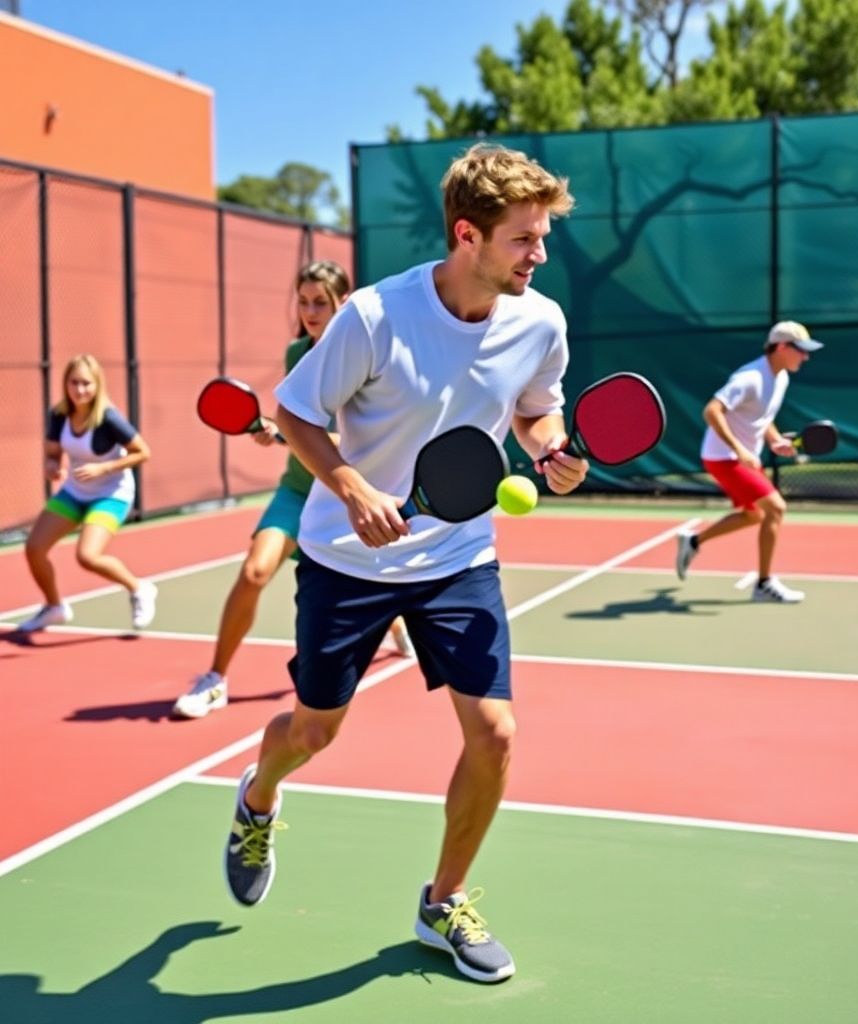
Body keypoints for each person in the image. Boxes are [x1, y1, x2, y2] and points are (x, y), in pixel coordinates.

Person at [221, 143, 586, 984]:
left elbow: (536, 417)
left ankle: (442, 902)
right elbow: (296, 409)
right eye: (525, 239)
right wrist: (349, 486)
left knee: (494, 734)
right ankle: (259, 798)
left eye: (542, 237)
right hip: (347, 556)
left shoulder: (542, 322)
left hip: (458, 553)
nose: (539, 253)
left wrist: (552, 451)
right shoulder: (376, 316)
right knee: (313, 731)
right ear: (469, 234)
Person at [173, 260, 414, 720]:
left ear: (344, 301)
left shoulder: (371, 355)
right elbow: (297, 419)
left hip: (349, 495)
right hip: (298, 491)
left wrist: (294, 436)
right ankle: (215, 679)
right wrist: (273, 428)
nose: (309, 311)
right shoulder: (295, 352)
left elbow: (362, 442)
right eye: (302, 302)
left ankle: (396, 625)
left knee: (374, 582)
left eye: (320, 302)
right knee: (253, 572)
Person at [674, 320, 824, 603]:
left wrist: (775, 440)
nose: (805, 357)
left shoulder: (780, 377)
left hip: (740, 458)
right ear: (781, 347)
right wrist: (740, 449)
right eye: (801, 350)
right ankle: (764, 584)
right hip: (723, 457)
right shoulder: (751, 378)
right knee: (776, 508)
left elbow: (761, 417)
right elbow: (712, 411)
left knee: (753, 515)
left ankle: (693, 542)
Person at [18, 353, 157, 632]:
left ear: (97, 385)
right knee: (34, 548)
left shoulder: (109, 419)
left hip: (111, 494)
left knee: (88, 556)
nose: (79, 389)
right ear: (65, 384)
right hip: (74, 491)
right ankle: (54, 606)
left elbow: (143, 452)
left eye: (86, 383)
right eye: (74, 382)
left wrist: (103, 469)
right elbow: (53, 453)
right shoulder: (59, 416)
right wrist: (52, 466)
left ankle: (139, 588)